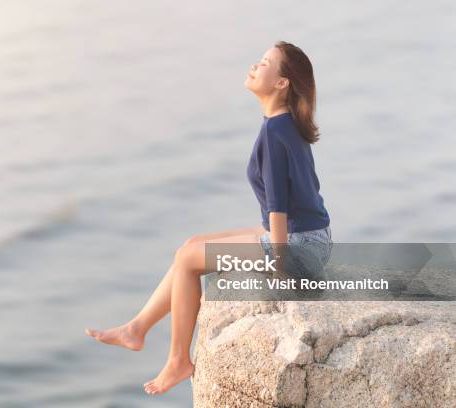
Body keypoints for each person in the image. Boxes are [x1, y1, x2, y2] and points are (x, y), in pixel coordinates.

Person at [85, 41, 333, 395]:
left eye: (264, 63)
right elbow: (295, 205)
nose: (254, 66)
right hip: (313, 238)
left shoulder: (274, 132)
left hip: (298, 249)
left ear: (282, 83)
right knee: (192, 245)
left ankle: (177, 361)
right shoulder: (286, 124)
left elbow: (278, 208)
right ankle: (137, 328)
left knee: (187, 261)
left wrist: (279, 271)